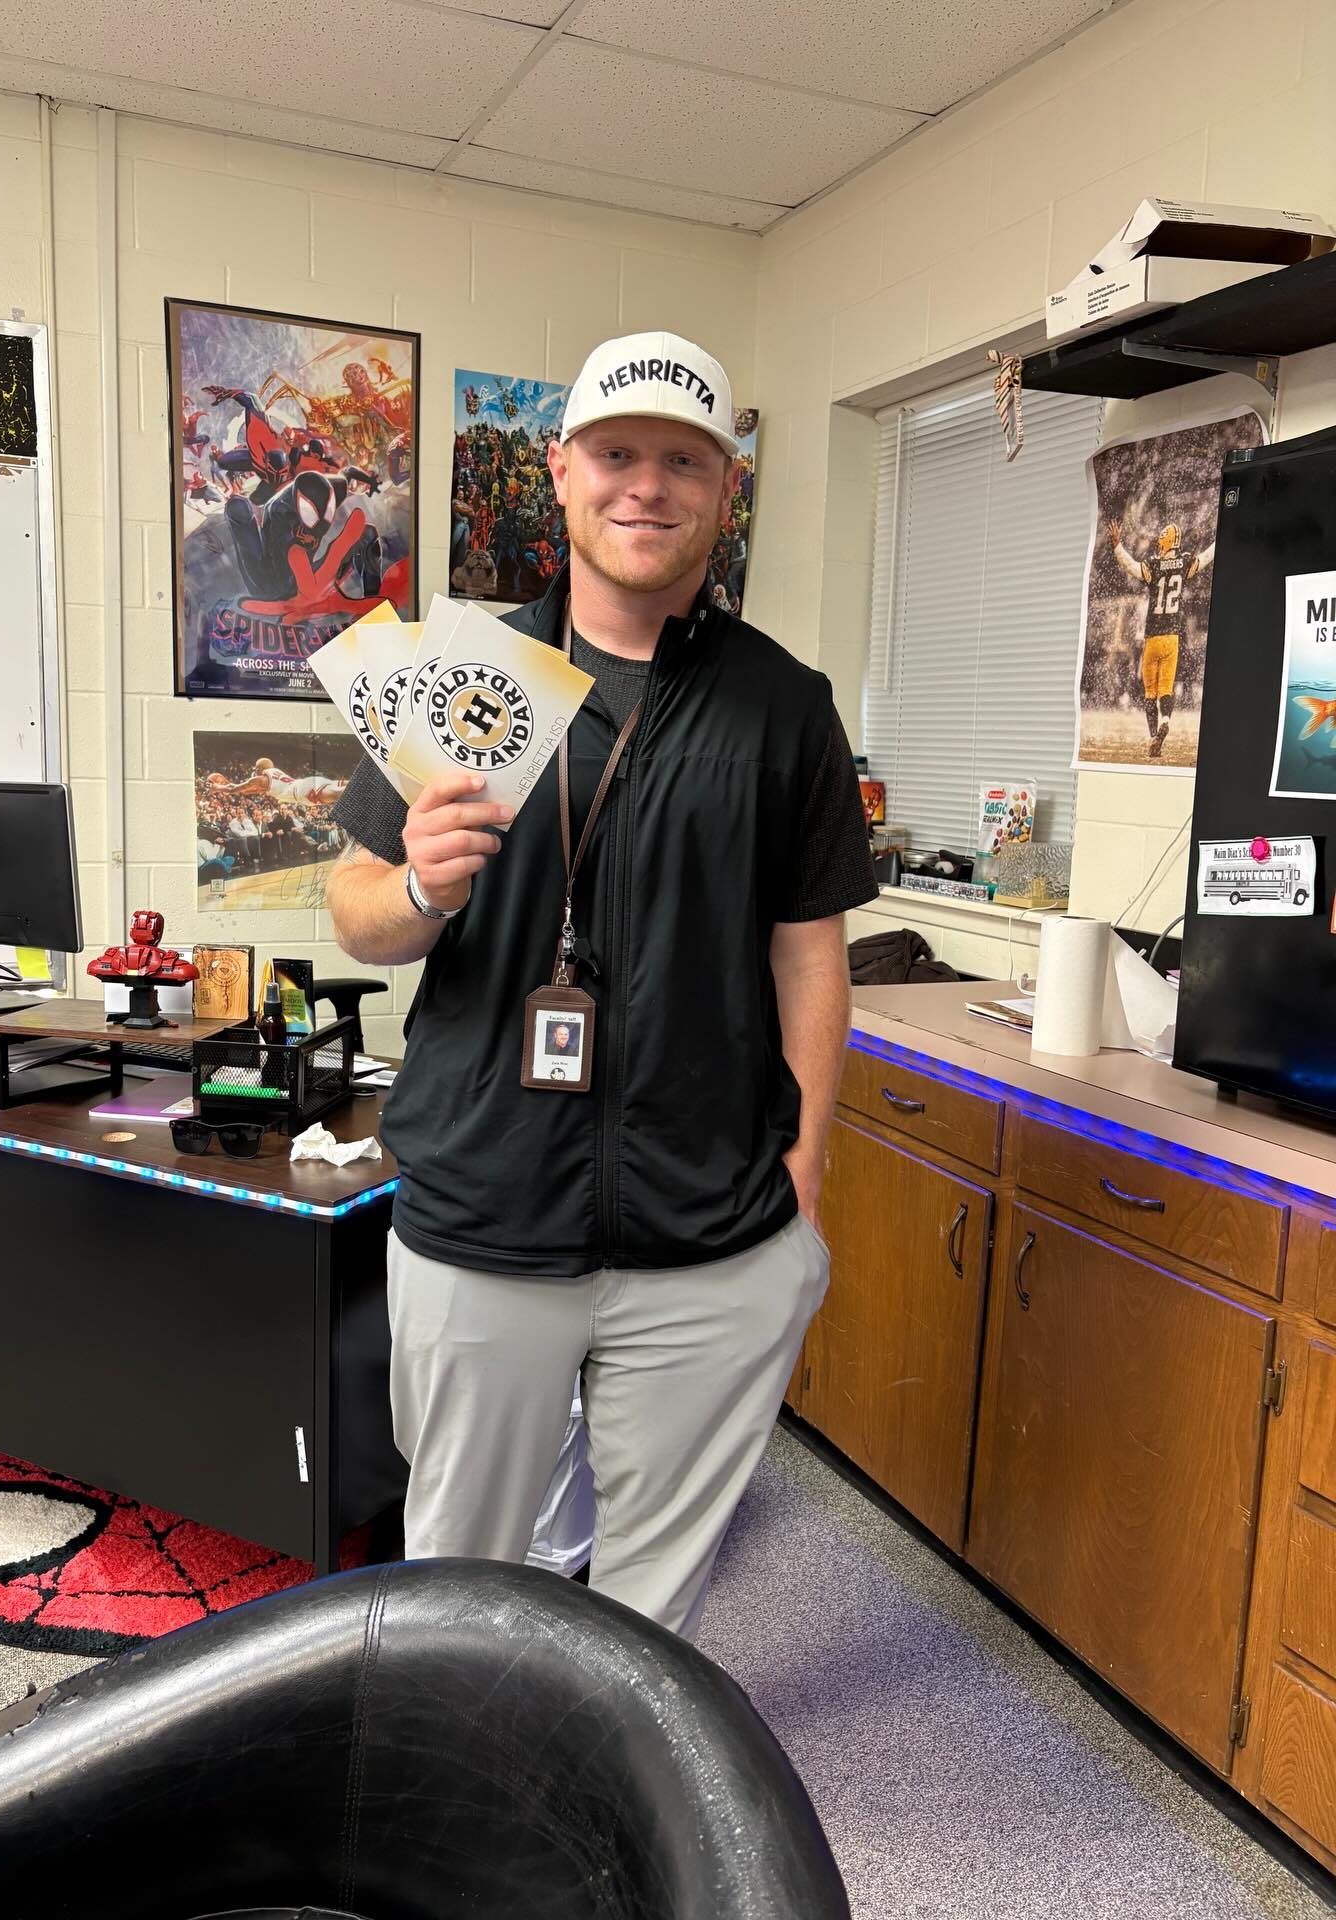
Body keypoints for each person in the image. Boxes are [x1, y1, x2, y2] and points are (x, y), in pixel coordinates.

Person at [327, 329, 876, 1641]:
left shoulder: (782, 705)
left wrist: (803, 1178)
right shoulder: (461, 674)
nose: (648, 487)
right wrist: (421, 888)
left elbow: (811, 953)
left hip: (708, 1230)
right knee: (458, 1572)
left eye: (683, 461)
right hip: (487, 1210)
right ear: (562, 474)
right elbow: (356, 917)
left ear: (721, 490)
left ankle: (610, 1809)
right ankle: (450, 1809)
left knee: (653, 1601)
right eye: (618, 455)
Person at [1108, 516, 1215, 758]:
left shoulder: (1155, 565)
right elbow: (1206, 558)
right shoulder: (1184, 562)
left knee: (1150, 691)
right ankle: (1166, 720)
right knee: (1166, 688)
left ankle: (1152, 736)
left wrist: (1117, 546)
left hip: (1153, 636)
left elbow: (1132, 567)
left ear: (1165, 542)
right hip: (1173, 638)